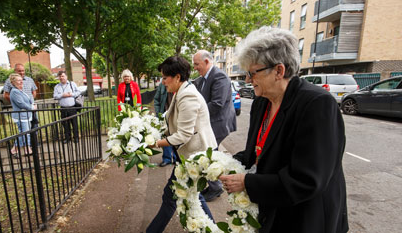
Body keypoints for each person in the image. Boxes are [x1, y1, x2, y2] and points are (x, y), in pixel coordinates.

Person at [219, 26, 348, 232]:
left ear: (279, 71)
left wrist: (248, 183)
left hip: (306, 217)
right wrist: (221, 163)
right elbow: (257, 152)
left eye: (253, 73)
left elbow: (307, 180)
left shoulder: (316, 104)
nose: (247, 80)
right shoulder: (261, 102)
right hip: (276, 209)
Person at [146, 56, 217, 233]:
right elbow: (168, 120)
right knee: (190, 196)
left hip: (196, 155)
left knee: (173, 196)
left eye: (164, 78)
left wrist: (153, 143)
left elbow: (183, 135)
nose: (162, 83)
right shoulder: (181, 92)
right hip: (188, 155)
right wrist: (147, 130)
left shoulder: (188, 95)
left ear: (177, 77)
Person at [192, 50, 236, 201]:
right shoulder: (204, 77)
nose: (195, 68)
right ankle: (213, 185)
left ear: (206, 61)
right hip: (211, 123)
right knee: (209, 154)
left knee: (208, 154)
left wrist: (197, 115)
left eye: (197, 64)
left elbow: (217, 103)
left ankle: (216, 187)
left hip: (219, 123)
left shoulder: (219, 76)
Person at [9, 73, 35, 158]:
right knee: (24, 133)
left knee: (24, 133)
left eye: (21, 80)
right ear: (13, 82)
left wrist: (32, 104)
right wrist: (31, 107)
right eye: (18, 80)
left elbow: (28, 100)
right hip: (21, 116)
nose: (21, 82)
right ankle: (16, 150)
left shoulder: (20, 91)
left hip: (26, 115)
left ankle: (25, 149)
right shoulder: (14, 92)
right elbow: (21, 104)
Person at [53, 71, 81, 143]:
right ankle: (67, 138)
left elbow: (78, 92)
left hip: (72, 107)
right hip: (63, 108)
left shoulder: (72, 84)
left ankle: (76, 138)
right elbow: (55, 96)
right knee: (65, 124)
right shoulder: (57, 86)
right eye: (60, 76)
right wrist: (62, 95)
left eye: (63, 76)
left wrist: (71, 94)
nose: (61, 78)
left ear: (66, 76)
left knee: (74, 123)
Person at [153, 83, 176, 167]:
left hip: (177, 115)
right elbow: (156, 99)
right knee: (165, 135)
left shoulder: (183, 83)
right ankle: (167, 159)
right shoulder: (162, 85)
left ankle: (176, 158)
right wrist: (159, 113)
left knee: (176, 136)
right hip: (164, 115)